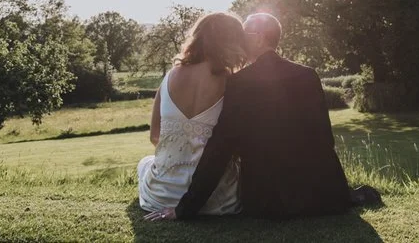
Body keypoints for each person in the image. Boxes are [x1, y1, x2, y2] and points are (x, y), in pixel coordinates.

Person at [145, 13, 354, 222]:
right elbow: (326, 138)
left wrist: (184, 210)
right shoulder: (308, 75)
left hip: (269, 202)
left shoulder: (240, 82)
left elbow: (221, 147)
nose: (238, 39)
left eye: (244, 34)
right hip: (325, 195)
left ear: (259, 38)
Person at [137, 12, 246, 216]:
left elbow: (155, 137)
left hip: (161, 197)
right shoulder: (233, 83)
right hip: (219, 201)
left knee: (144, 162)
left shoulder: (169, 77)